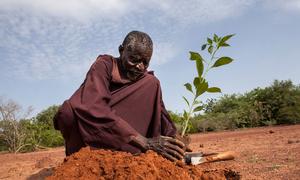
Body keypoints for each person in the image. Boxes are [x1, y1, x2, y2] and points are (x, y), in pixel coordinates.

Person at [53, 30, 188, 162]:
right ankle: (79, 158)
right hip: (96, 135)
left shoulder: (147, 82)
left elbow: (161, 114)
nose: (139, 67)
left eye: (145, 62)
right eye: (133, 59)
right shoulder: (104, 66)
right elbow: (92, 106)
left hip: (127, 142)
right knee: (68, 111)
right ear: (121, 50)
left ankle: (130, 153)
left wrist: (176, 143)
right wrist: (145, 142)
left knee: (152, 82)